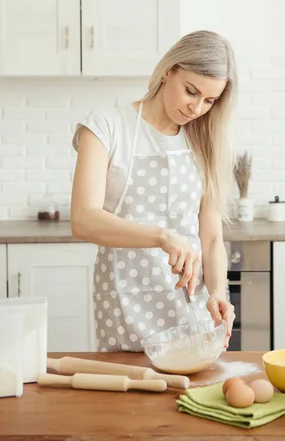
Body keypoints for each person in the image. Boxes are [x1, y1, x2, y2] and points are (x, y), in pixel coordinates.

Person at [71, 30, 237, 352]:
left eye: (210, 101)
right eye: (191, 91)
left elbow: (212, 238)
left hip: (191, 303)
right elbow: (83, 220)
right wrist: (163, 236)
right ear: (168, 71)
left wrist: (218, 292)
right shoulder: (106, 126)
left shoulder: (205, 139)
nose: (196, 108)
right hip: (125, 302)